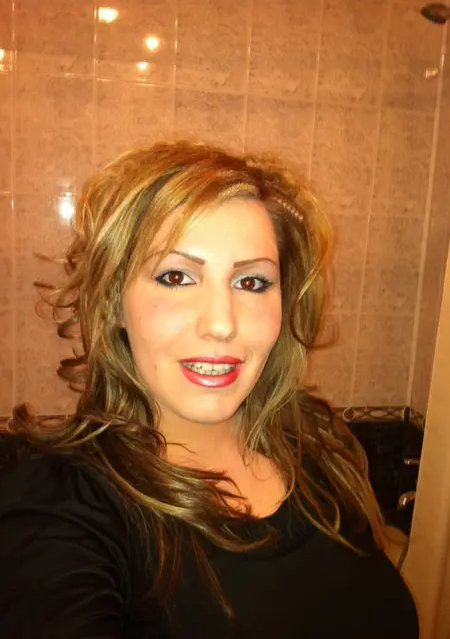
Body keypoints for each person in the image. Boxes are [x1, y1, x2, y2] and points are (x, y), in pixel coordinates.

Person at [0, 141, 419, 638]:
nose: (221, 324)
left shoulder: (316, 446)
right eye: (176, 277)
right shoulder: (63, 511)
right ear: (113, 303)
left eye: (252, 283)